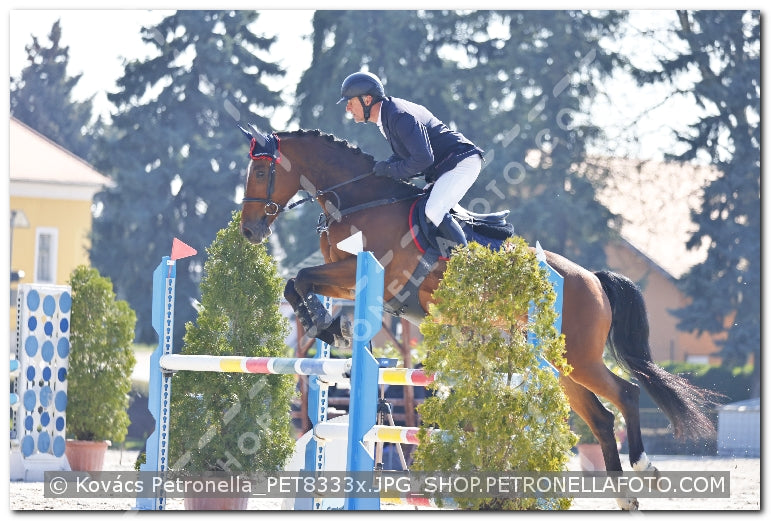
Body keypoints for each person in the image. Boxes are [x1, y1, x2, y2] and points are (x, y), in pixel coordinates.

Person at [337, 71, 483, 255]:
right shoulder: (388, 116)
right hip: (446, 166)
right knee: (414, 208)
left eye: (350, 102)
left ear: (367, 100)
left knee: (434, 210)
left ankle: (466, 264)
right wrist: (382, 169)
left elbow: (423, 159)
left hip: (461, 162)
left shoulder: (399, 116)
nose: (348, 108)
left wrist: (390, 170)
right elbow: (406, 156)